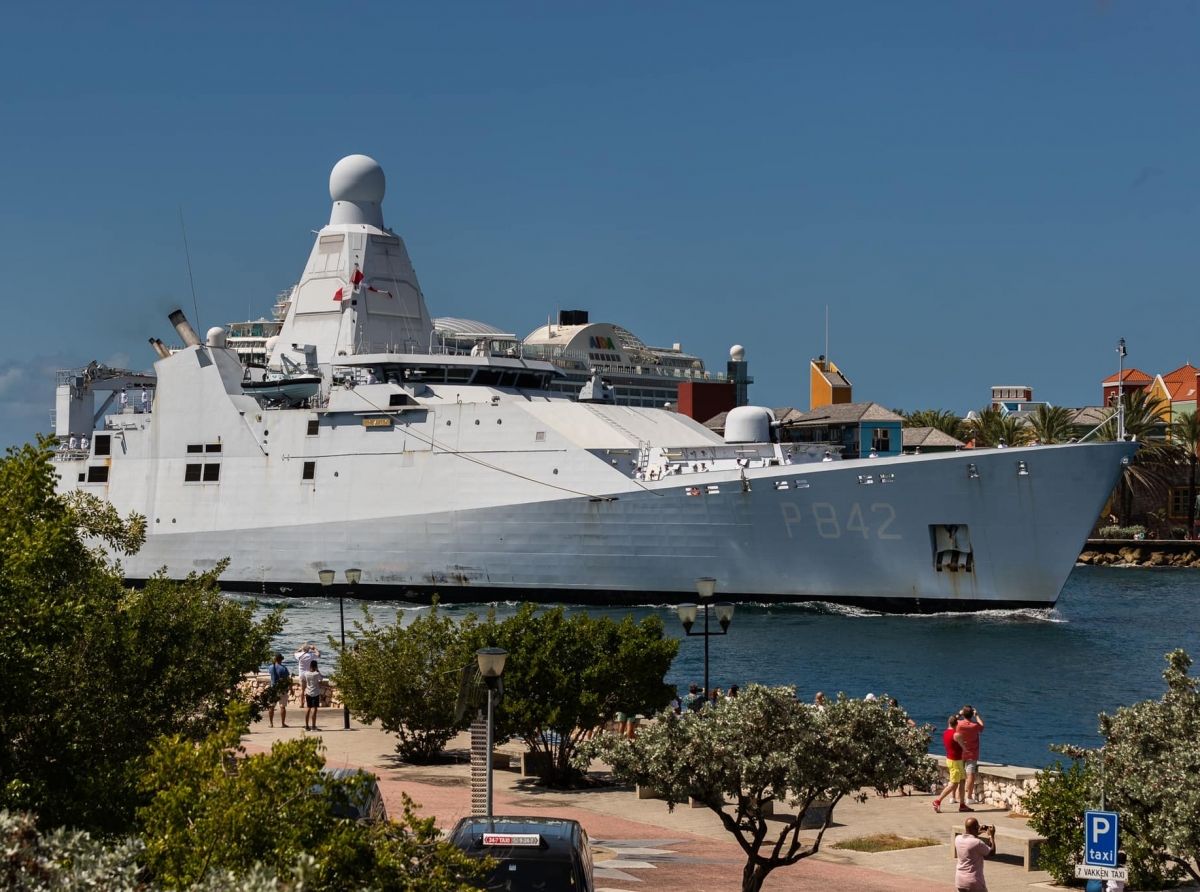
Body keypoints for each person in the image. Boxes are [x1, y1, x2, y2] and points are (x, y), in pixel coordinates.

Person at [933, 715, 968, 813]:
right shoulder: (956, 735)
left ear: (948, 723)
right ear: (956, 724)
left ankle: (962, 804)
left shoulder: (945, 733)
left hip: (953, 759)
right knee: (953, 784)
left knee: (962, 781)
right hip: (955, 761)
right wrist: (965, 744)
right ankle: (937, 801)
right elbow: (965, 748)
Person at [954, 817, 995, 891]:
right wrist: (991, 836)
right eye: (977, 826)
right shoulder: (977, 842)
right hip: (974, 883)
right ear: (976, 827)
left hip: (960, 881)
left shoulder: (957, 838)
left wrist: (976, 832)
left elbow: (969, 838)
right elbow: (992, 852)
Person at [955, 706, 985, 805]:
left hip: (960, 752)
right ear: (972, 714)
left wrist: (959, 714)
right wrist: (977, 715)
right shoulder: (974, 725)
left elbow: (951, 722)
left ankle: (958, 796)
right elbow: (982, 726)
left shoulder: (958, 724)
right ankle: (968, 797)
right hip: (972, 753)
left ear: (963, 714)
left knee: (959, 774)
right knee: (970, 774)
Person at [266, 652, 291, 728]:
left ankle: (271, 723)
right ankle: (283, 723)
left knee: (271, 706)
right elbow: (288, 679)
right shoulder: (284, 668)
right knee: (282, 706)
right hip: (282, 689)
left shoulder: (271, 667)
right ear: (280, 660)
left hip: (273, 688)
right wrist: (291, 688)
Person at [301, 659, 323, 732]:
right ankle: (313, 726)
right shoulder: (317, 674)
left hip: (308, 692)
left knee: (308, 708)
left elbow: (303, 679)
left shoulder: (306, 673)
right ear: (316, 666)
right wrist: (318, 670)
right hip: (315, 693)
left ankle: (307, 725)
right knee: (314, 709)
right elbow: (321, 679)